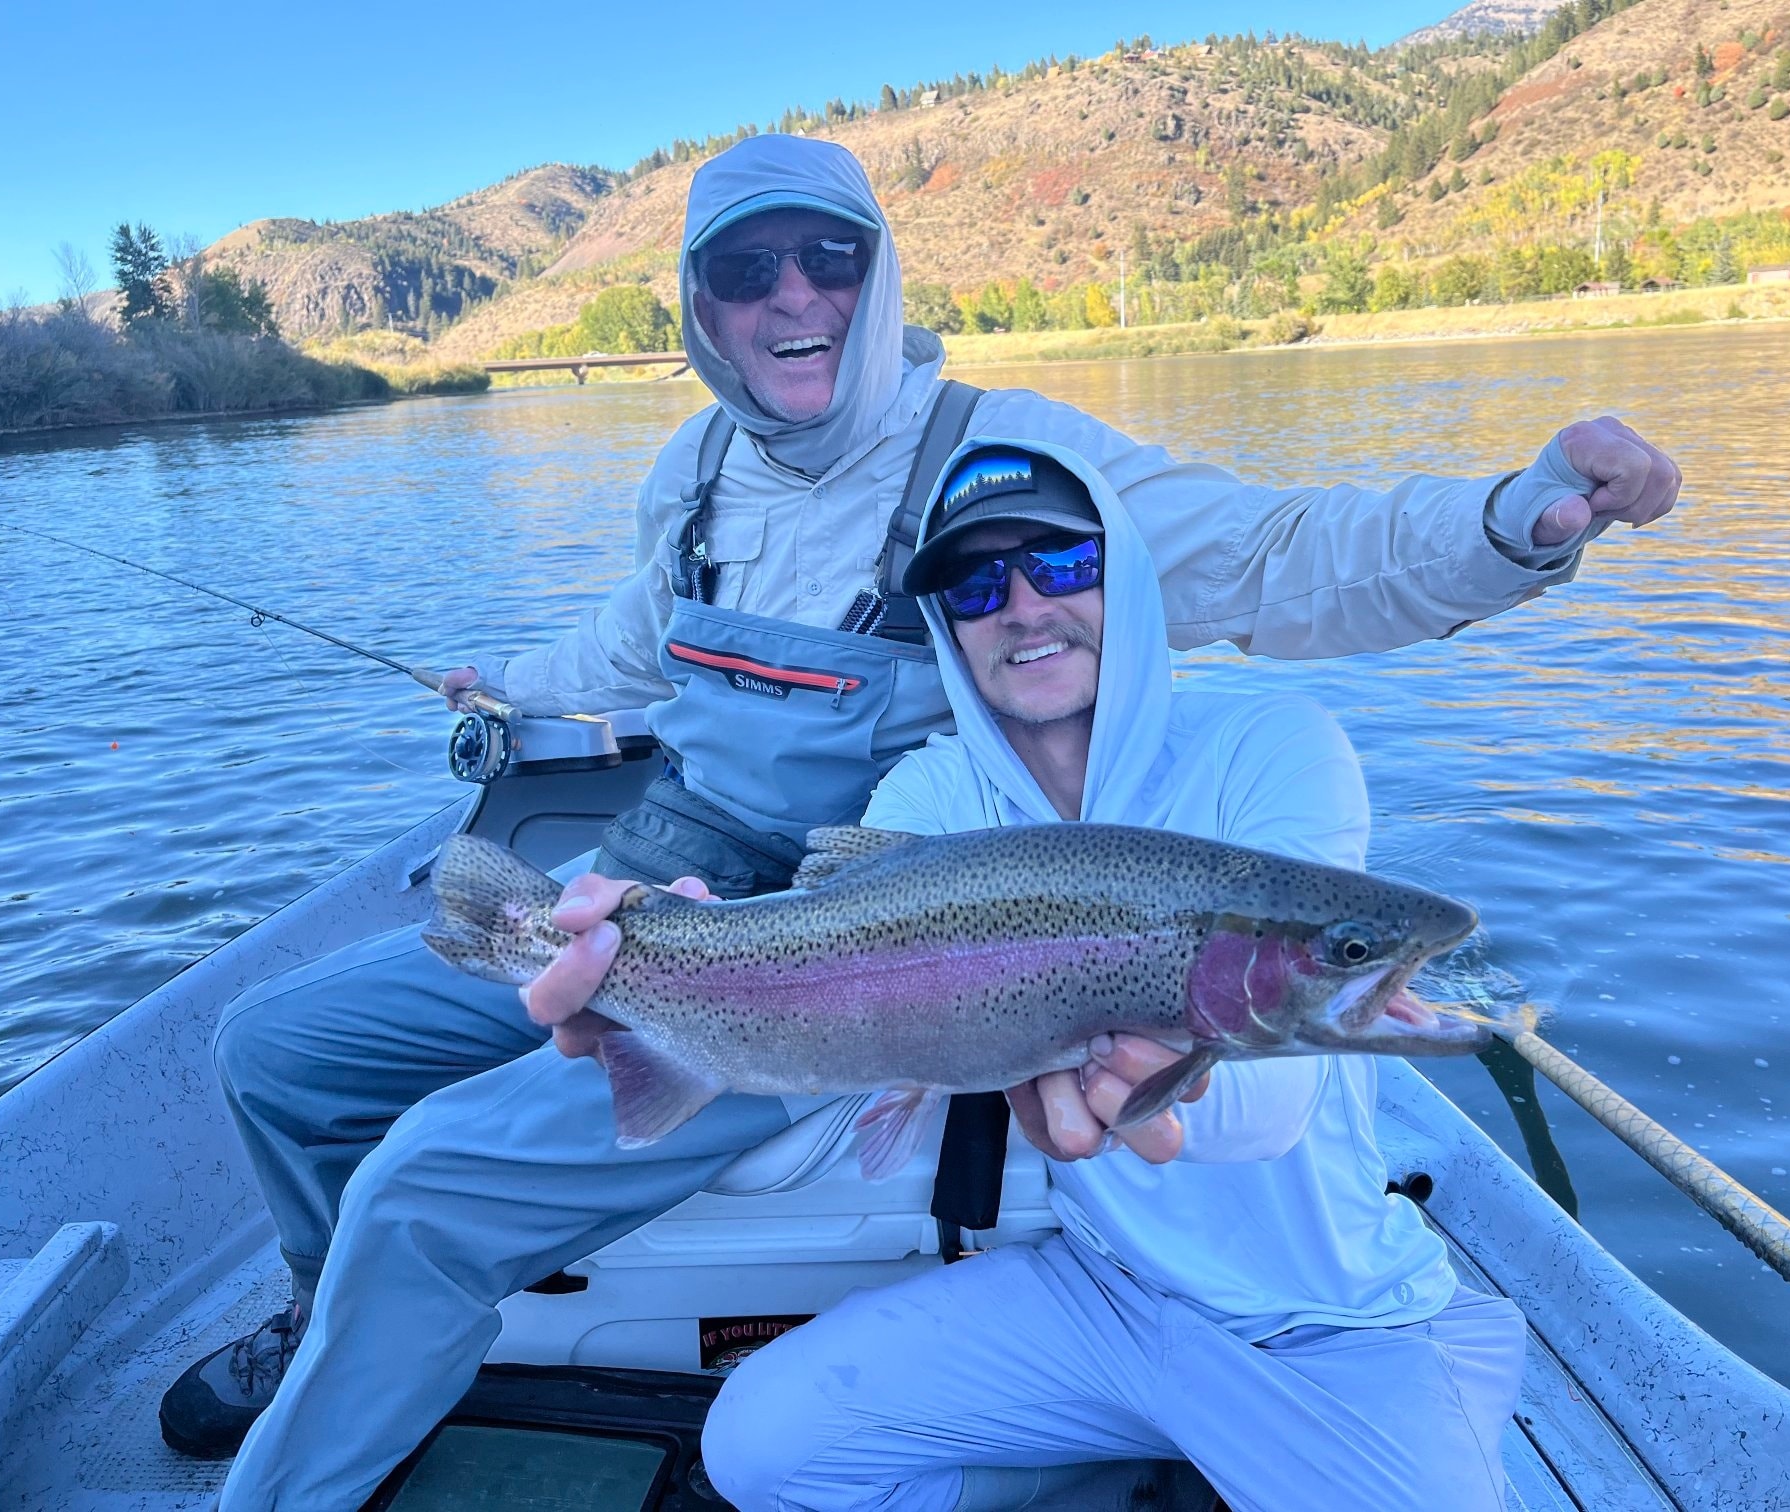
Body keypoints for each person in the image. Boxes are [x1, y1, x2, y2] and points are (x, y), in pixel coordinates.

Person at [186, 131, 1672, 1509]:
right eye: (745, 269)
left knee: (422, 1188)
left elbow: (1282, 551)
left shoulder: (1004, 459)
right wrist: (507, 684)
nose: (792, 298)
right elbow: (631, 647)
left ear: (880, 271)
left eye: (828, 257)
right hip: (652, 891)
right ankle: (326, 1323)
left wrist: (1509, 525)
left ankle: (301, 1475)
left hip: (848, 951)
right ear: (699, 306)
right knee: (275, 1054)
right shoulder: (690, 473)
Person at [684, 437, 1525, 1511]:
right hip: (1105, 1299)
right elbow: (837, 960)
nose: (1024, 606)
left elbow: (1271, 1104)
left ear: (1120, 574)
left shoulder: (1272, 741)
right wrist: (682, 957)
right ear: (945, 623)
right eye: (977, 583)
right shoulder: (931, 797)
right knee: (759, 1450)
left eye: (1063, 564)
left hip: (1330, 1321)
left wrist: (1158, 1105)